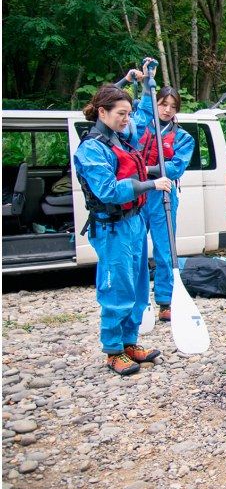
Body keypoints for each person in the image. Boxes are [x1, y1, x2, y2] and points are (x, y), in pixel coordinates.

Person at [74, 84, 172, 375]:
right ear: (102, 112)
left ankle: (130, 342)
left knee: (139, 286)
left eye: (128, 113)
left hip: (134, 222)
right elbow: (107, 190)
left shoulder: (120, 138)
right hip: (112, 227)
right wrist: (150, 184)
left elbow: (142, 118)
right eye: (121, 113)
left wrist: (146, 85)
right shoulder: (92, 148)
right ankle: (113, 350)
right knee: (117, 287)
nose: (126, 119)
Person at [133, 83, 195, 322]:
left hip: (164, 194)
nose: (167, 110)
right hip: (137, 193)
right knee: (137, 249)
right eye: (163, 104)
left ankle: (165, 301)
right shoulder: (138, 127)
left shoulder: (182, 137)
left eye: (172, 106)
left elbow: (175, 167)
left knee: (164, 249)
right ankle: (139, 301)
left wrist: (144, 169)